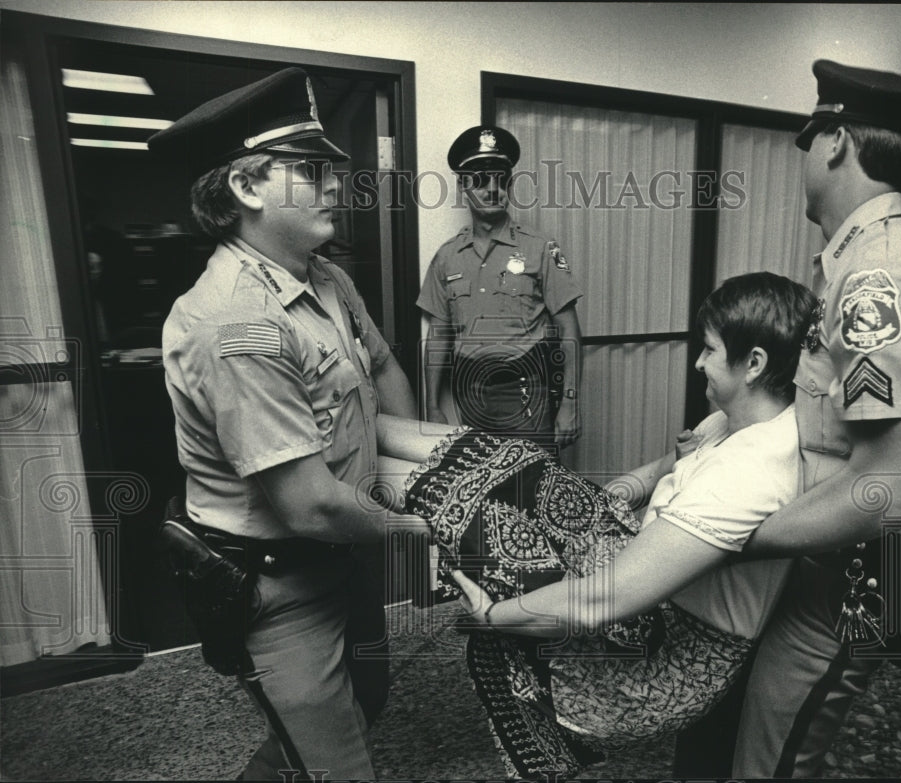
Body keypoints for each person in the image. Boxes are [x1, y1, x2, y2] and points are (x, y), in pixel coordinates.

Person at [374, 272, 818, 777]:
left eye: (710, 350)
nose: (698, 362)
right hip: (643, 569)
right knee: (516, 459)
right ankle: (359, 424)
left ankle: (343, 445)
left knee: (485, 513)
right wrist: (616, 494)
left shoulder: (750, 470)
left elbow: (602, 600)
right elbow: (665, 469)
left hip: (665, 657)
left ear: (754, 364)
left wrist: (493, 615)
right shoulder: (739, 418)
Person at [695, 60, 901, 778]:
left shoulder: (878, 279)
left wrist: (729, 537)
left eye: (813, 139)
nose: (808, 157)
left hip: (861, 576)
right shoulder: (867, 262)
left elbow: (889, 488)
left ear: (837, 142)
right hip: (843, 564)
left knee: (771, 760)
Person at [150, 67, 417, 781]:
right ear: (246, 187)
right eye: (310, 169)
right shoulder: (236, 320)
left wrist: (453, 465)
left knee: (367, 697)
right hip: (281, 584)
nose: (335, 184)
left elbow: (378, 387)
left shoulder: (323, 276)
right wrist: (439, 523)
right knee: (341, 765)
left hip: (342, 549)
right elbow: (307, 503)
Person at [417, 125, 583, 449]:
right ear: (463, 184)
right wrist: (432, 406)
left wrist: (570, 402)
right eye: (480, 178)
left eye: (501, 178)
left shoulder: (540, 248)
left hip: (525, 389)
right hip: (470, 392)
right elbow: (438, 335)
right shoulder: (446, 257)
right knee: (484, 483)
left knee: (533, 481)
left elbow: (569, 329)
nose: (493, 188)